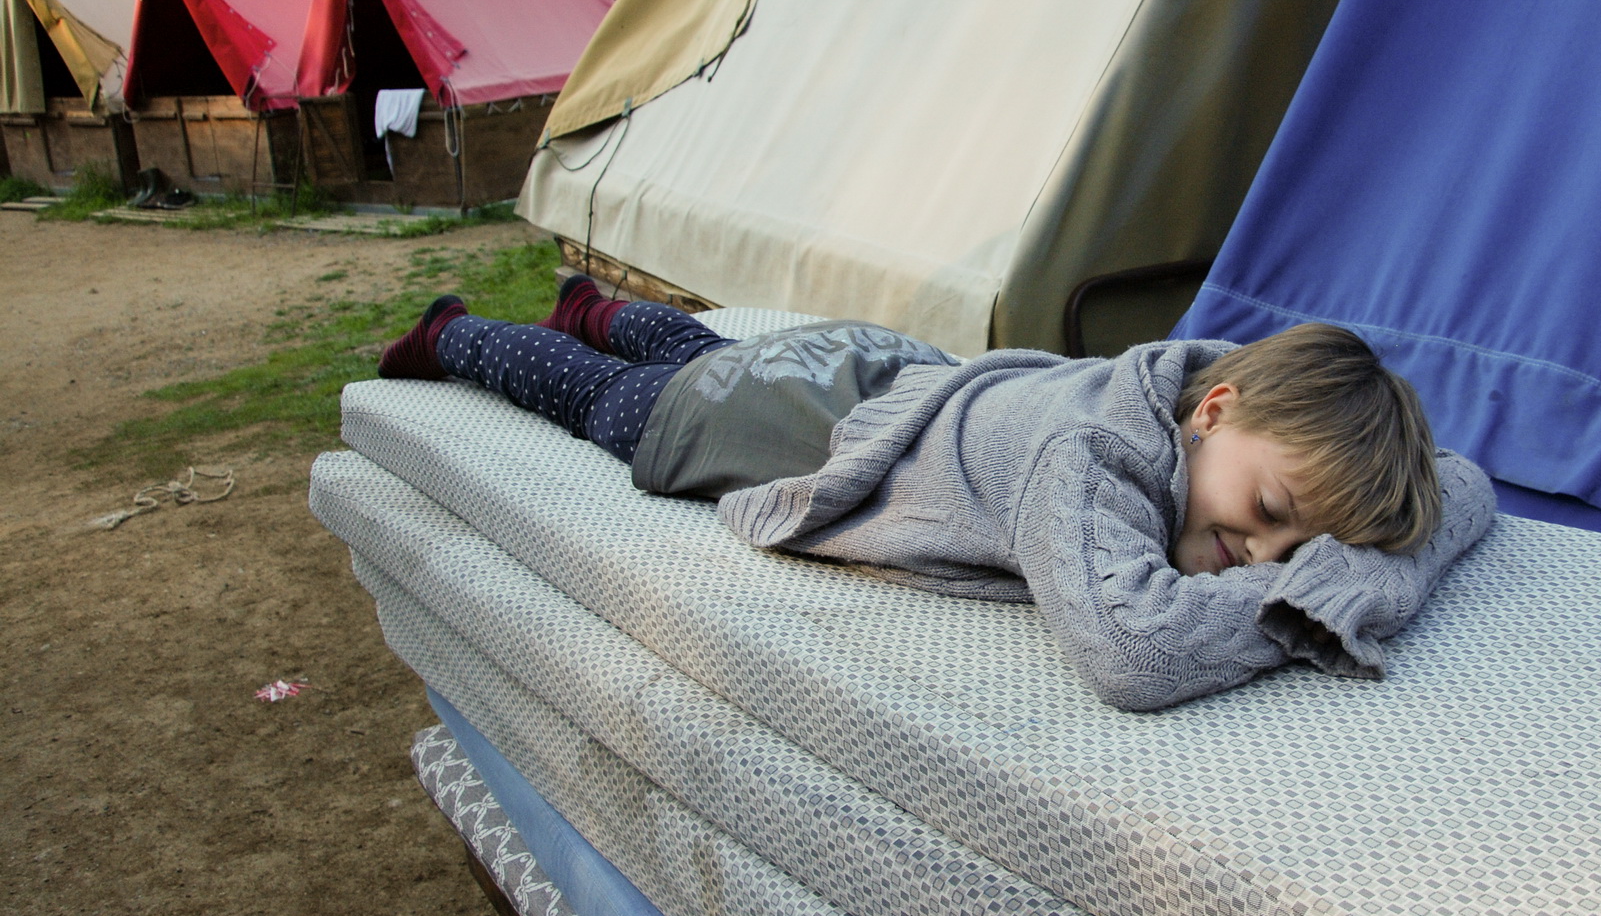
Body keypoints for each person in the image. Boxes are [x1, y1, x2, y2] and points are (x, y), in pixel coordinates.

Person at [377, 277, 1496, 711]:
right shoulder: (1088, 461)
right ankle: (459, 333)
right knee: (623, 406)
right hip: (795, 424)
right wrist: (1319, 601)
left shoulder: (1202, 404)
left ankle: (598, 304)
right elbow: (1135, 651)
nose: (1266, 557)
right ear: (1213, 410)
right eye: (1271, 515)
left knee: (706, 352)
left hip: (898, 375)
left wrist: (1346, 550)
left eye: (1295, 552)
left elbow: (1466, 485)